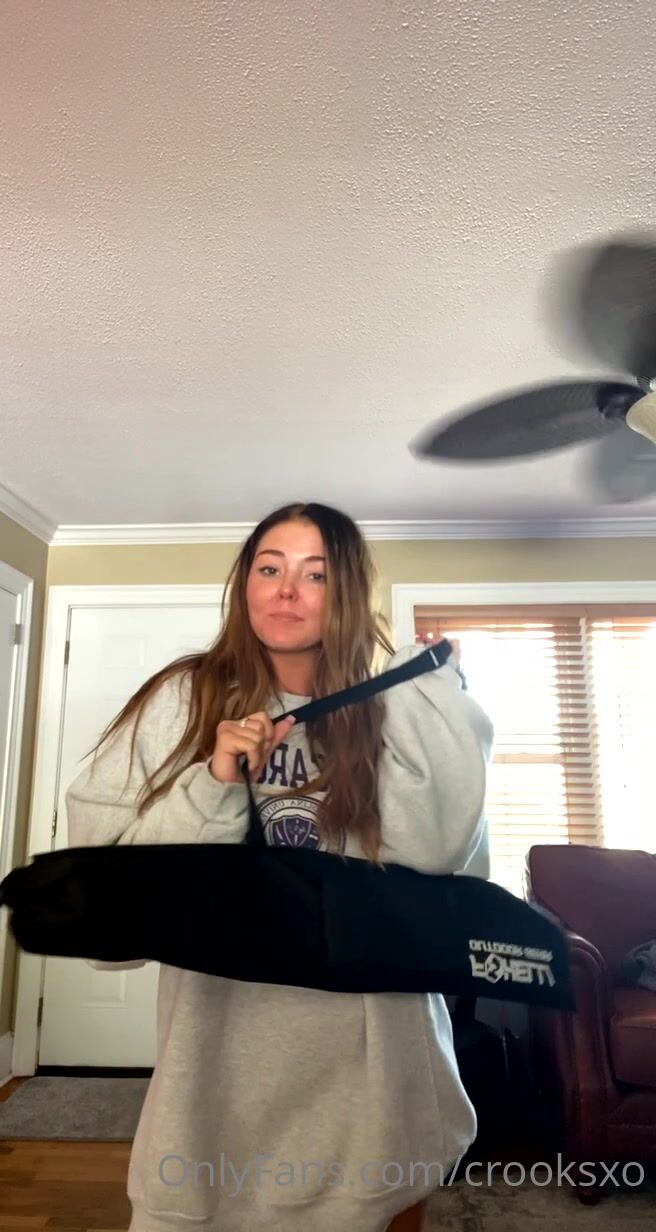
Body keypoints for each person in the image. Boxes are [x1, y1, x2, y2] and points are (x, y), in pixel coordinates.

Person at [65, 501, 494, 1232]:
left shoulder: (402, 705)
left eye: (315, 574)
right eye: (269, 568)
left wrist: (438, 701)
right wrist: (214, 785)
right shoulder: (182, 699)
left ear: (348, 591)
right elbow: (101, 905)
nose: (287, 590)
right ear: (245, 583)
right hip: (217, 1077)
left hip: (379, 1085)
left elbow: (444, 861)